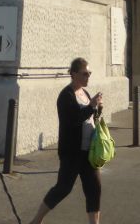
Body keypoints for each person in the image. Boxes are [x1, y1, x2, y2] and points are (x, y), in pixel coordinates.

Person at [28, 57, 104, 224]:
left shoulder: (85, 93)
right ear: (74, 74)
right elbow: (73, 120)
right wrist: (91, 106)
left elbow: (90, 117)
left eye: (89, 73)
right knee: (63, 189)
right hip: (72, 152)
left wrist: (97, 108)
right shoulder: (66, 96)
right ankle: (36, 220)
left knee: (94, 189)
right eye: (84, 74)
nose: (88, 77)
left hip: (88, 152)